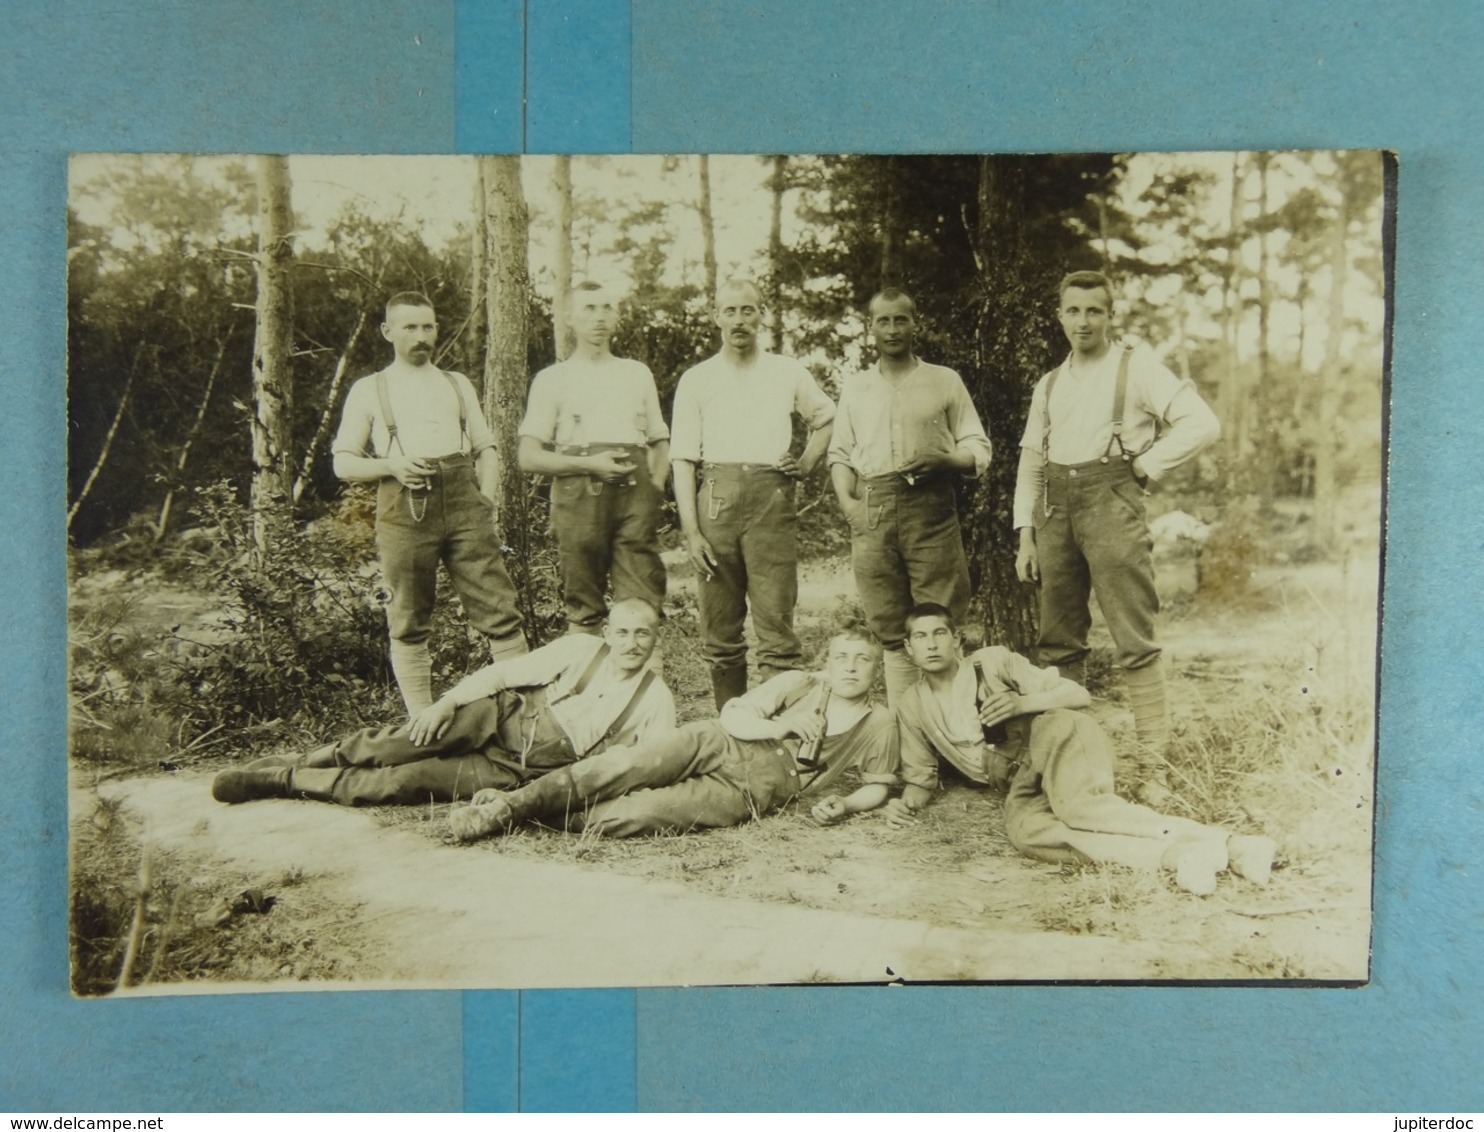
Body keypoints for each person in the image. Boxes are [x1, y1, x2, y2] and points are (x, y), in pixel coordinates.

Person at [887, 603, 1275, 896]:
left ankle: (1232, 844)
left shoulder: (992, 662)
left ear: (956, 640)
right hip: (1018, 778)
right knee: (1029, 833)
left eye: (939, 633)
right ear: (908, 648)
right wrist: (901, 806)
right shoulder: (912, 704)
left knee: (1078, 809)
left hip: (1056, 736)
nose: (931, 643)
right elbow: (920, 779)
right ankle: (1179, 856)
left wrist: (1021, 704)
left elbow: (1077, 694)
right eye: (920, 637)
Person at [1013, 270, 1219, 799]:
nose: (1083, 322)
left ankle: (1154, 768)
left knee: (1134, 636)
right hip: (1054, 511)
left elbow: (1202, 423)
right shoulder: (1050, 383)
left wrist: (1147, 466)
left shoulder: (1138, 368)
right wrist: (1025, 534)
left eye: (1094, 311)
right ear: (1059, 316)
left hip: (1113, 502)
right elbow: (1032, 462)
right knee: (1058, 640)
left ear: (1110, 316)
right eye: (1073, 311)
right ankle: (1069, 762)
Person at [445, 626, 899, 842]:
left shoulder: (878, 721)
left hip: (760, 784)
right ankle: (508, 806)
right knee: (622, 766)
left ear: (877, 670)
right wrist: (782, 724)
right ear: (829, 662)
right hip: (722, 739)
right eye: (843, 658)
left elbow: (878, 783)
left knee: (636, 814)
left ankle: (522, 812)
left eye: (862, 661)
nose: (851, 668)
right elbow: (735, 714)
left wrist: (847, 804)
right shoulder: (802, 682)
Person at [210, 599, 675, 809]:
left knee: (402, 781)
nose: (631, 643)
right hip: (496, 717)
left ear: (656, 638)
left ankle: (285, 782)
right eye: (623, 631)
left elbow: (654, 765)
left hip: (518, 771)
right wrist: (444, 704)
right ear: (608, 633)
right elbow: (502, 675)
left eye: (643, 634)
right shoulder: (579, 649)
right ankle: (304, 760)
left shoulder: (656, 699)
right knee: (399, 743)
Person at [332, 291, 527, 716]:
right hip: (403, 507)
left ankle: (523, 716)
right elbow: (342, 463)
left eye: (428, 326)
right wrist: (393, 466)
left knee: (499, 607)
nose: (421, 336)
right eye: (409, 327)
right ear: (387, 332)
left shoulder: (456, 383)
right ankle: (420, 721)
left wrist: (485, 503)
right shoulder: (370, 389)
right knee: (406, 616)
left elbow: (487, 448)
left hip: (465, 502)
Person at [670, 278, 836, 709]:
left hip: (771, 501)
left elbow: (826, 418)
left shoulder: (787, 370)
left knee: (776, 622)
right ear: (716, 317)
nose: (739, 320)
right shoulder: (697, 378)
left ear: (760, 314)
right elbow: (683, 459)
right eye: (730, 311)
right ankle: (732, 731)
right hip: (715, 503)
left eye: (748, 310)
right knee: (721, 626)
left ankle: (775, 731)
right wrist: (692, 532)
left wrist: (804, 463)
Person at [828, 287, 992, 706]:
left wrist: (945, 459)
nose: (893, 329)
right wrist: (849, 506)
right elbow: (840, 453)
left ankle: (953, 725)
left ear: (915, 324)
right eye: (883, 321)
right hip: (874, 509)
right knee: (888, 621)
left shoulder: (944, 379)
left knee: (939, 618)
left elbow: (978, 445)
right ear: (871, 329)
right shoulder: (858, 387)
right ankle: (908, 730)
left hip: (931, 504)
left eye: (901, 319)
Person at [518, 281, 670, 635]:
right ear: (569, 318)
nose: (599, 317)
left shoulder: (636, 373)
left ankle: (643, 689)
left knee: (642, 603)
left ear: (616, 316)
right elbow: (528, 456)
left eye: (606, 308)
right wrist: (589, 465)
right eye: (589, 308)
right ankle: (586, 688)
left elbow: (660, 440)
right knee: (584, 608)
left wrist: (654, 492)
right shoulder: (552, 379)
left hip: (635, 497)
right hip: (578, 499)